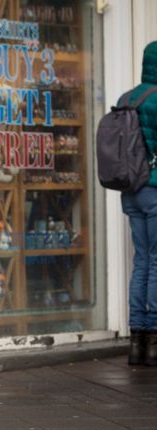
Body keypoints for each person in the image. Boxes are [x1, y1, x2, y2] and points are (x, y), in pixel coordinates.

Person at [123, 41, 157, 366]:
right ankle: (156, 337)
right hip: (154, 188)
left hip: (130, 189)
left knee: (142, 261)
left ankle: (138, 342)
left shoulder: (127, 99)